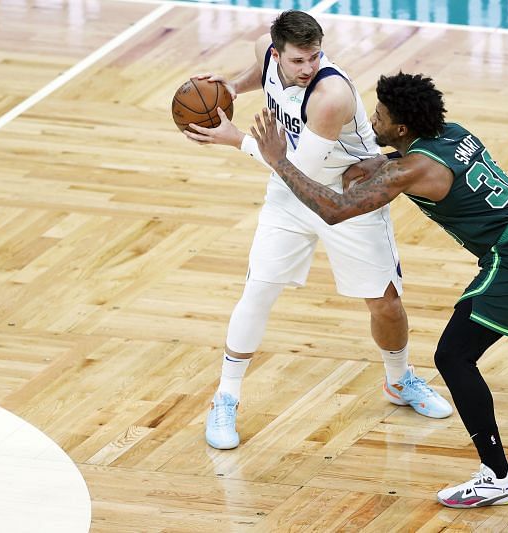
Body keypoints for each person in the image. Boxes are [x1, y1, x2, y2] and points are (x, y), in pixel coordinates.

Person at [249, 71, 508, 508]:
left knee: (453, 356)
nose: (371, 119)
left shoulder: (411, 168)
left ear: (400, 127)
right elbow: (413, 165)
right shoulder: (451, 133)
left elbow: (335, 210)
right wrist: (377, 165)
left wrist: (278, 160)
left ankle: (499, 476)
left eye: (379, 114)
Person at [183, 11, 452, 450]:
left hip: (349, 197)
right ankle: (225, 397)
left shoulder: (331, 95)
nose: (307, 67)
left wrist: (235, 139)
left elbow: (299, 168)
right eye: (297, 61)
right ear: (277, 53)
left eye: (314, 56)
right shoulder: (265, 54)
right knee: (258, 291)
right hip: (289, 198)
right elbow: (260, 71)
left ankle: (399, 379)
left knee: (384, 304)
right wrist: (233, 85)